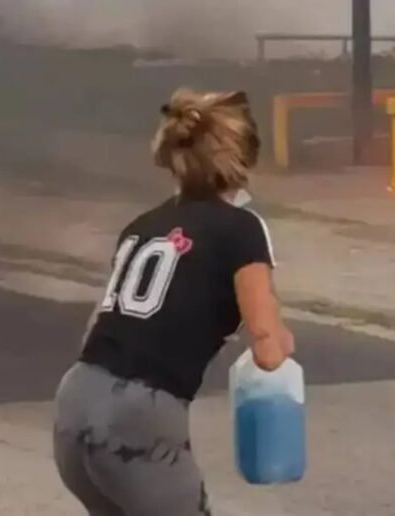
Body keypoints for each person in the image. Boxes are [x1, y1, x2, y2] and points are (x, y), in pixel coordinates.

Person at [53, 88, 295, 516]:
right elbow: (267, 347)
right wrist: (280, 339)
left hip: (74, 404)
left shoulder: (140, 227)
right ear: (244, 161)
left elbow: (98, 326)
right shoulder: (240, 229)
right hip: (137, 419)